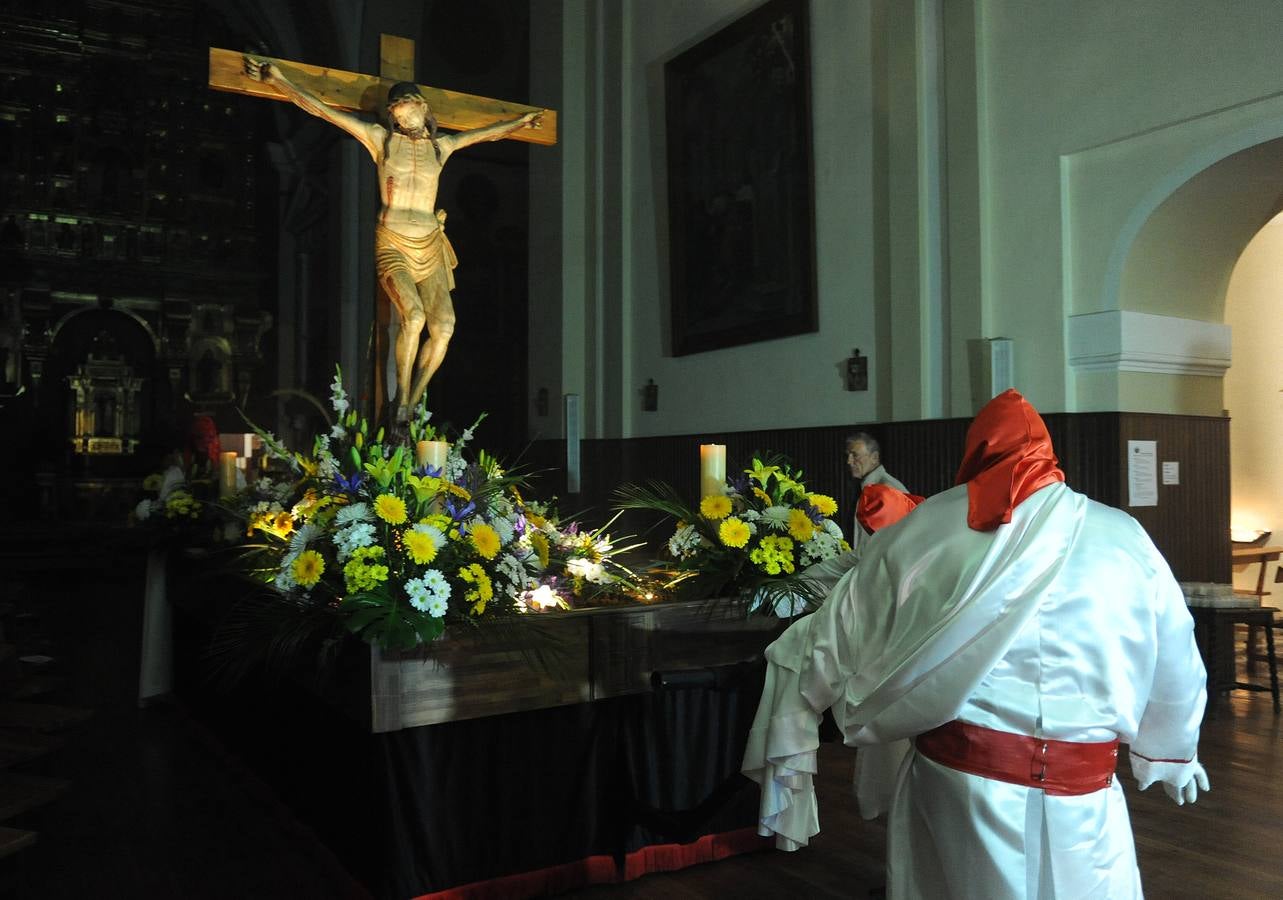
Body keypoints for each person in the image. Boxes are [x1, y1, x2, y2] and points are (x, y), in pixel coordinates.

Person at [751, 389, 1208, 898]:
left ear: (974, 452)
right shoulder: (1125, 535)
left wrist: (800, 699)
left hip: (961, 784)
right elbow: (1176, 653)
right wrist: (1173, 750)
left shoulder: (924, 529)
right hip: (1085, 787)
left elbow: (843, 627)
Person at [243, 57, 543, 424]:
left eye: (407, 110)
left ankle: (414, 402)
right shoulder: (380, 139)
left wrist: (520, 122)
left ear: (422, 107)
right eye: (396, 113)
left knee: (445, 327)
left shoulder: (441, 147)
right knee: (413, 317)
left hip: (430, 244)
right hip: (394, 243)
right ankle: (400, 401)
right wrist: (280, 81)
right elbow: (323, 111)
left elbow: (488, 133)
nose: (402, 118)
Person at [742, 483, 924, 850]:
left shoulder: (894, 567)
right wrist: (768, 594)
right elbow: (819, 578)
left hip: (891, 671)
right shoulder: (869, 563)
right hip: (881, 671)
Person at [846, 432, 906, 553]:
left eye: (855, 455)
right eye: (848, 456)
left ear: (874, 457)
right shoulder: (867, 487)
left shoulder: (886, 489)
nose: (849, 461)